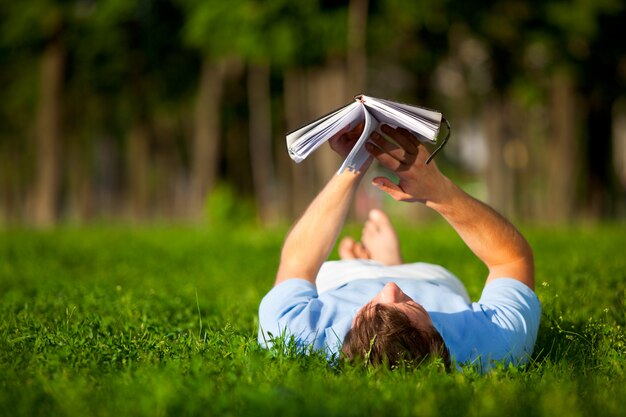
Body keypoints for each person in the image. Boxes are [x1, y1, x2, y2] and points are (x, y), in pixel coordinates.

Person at [258, 124, 541, 372]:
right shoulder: (494, 345)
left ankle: (366, 264)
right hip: (431, 279)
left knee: (333, 272)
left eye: (372, 305)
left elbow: (297, 264)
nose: (391, 287)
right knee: (413, 275)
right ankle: (390, 262)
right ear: (438, 339)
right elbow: (511, 260)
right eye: (407, 302)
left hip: (343, 279)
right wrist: (440, 192)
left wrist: (353, 164)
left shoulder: (294, 335)